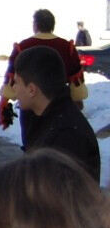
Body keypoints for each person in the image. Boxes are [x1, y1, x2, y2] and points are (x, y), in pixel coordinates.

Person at [11, 45, 99, 181]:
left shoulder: (67, 135)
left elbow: (57, 197)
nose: (13, 88)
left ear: (31, 90)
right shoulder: (39, 116)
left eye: (16, 82)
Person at [0, 8, 87, 134]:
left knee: (32, 144)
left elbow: (12, 77)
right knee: (59, 141)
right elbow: (76, 80)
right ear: (52, 26)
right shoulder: (67, 47)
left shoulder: (22, 47)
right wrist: (77, 100)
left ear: (35, 25)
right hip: (59, 104)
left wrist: (4, 102)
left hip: (31, 103)